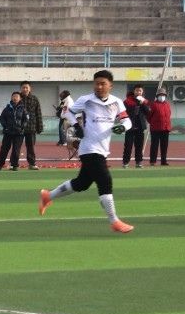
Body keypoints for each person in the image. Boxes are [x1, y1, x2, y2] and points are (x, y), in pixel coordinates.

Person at [39, 70, 135, 234]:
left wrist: (122, 127)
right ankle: (114, 221)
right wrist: (76, 126)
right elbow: (67, 112)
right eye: (96, 83)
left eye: (103, 84)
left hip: (103, 149)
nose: (99, 87)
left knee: (82, 183)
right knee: (105, 180)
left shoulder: (117, 102)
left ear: (110, 86)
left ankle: (48, 196)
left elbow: (127, 121)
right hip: (89, 148)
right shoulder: (86, 99)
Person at [0, 91, 28, 171]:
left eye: (17, 96)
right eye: (13, 96)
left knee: (16, 149)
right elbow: (2, 118)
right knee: (4, 149)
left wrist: (22, 127)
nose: (15, 98)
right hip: (8, 132)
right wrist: (5, 126)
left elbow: (26, 119)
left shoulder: (23, 108)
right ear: (11, 98)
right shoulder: (7, 108)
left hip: (19, 133)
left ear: (20, 98)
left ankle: (14, 165)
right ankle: (0, 164)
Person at [121, 84, 148, 168]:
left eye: (140, 91)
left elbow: (147, 112)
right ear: (134, 91)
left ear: (142, 92)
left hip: (140, 127)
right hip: (130, 126)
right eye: (137, 90)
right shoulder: (127, 101)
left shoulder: (144, 101)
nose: (138, 92)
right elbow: (123, 112)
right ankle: (125, 162)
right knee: (128, 146)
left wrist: (142, 104)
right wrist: (135, 105)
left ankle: (138, 162)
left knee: (139, 146)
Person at [18, 81, 43, 170]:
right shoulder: (17, 98)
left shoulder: (34, 99)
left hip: (31, 127)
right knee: (17, 147)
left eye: (26, 87)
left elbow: (38, 113)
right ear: (21, 88)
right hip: (19, 127)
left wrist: (40, 127)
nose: (25, 89)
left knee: (31, 147)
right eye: (23, 87)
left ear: (30, 88)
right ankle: (14, 164)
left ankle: (32, 164)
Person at [147, 90, 172, 166]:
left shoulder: (167, 104)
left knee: (164, 146)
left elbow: (169, 114)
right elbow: (148, 116)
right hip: (155, 129)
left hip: (165, 128)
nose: (162, 97)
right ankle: (152, 161)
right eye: (160, 95)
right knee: (154, 145)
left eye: (163, 95)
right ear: (157, 96)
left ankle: (163, 161)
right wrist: (153, 123)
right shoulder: (153, 104)